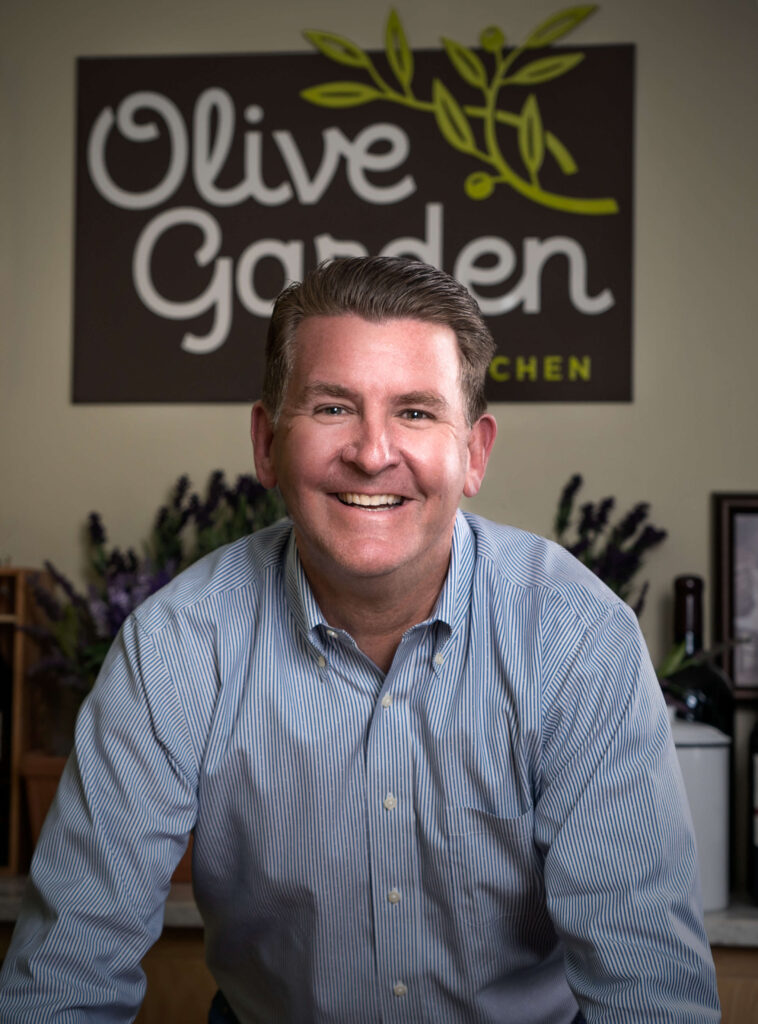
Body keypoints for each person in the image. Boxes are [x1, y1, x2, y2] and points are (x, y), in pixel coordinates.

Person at [0, 257, 719, 1022]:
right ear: (266, 441)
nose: (373, 453)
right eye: (334, 407)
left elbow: (650, 996)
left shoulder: (578, 642)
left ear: (473, 452)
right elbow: (68, 973)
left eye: (414, 412)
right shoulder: (176, 648)